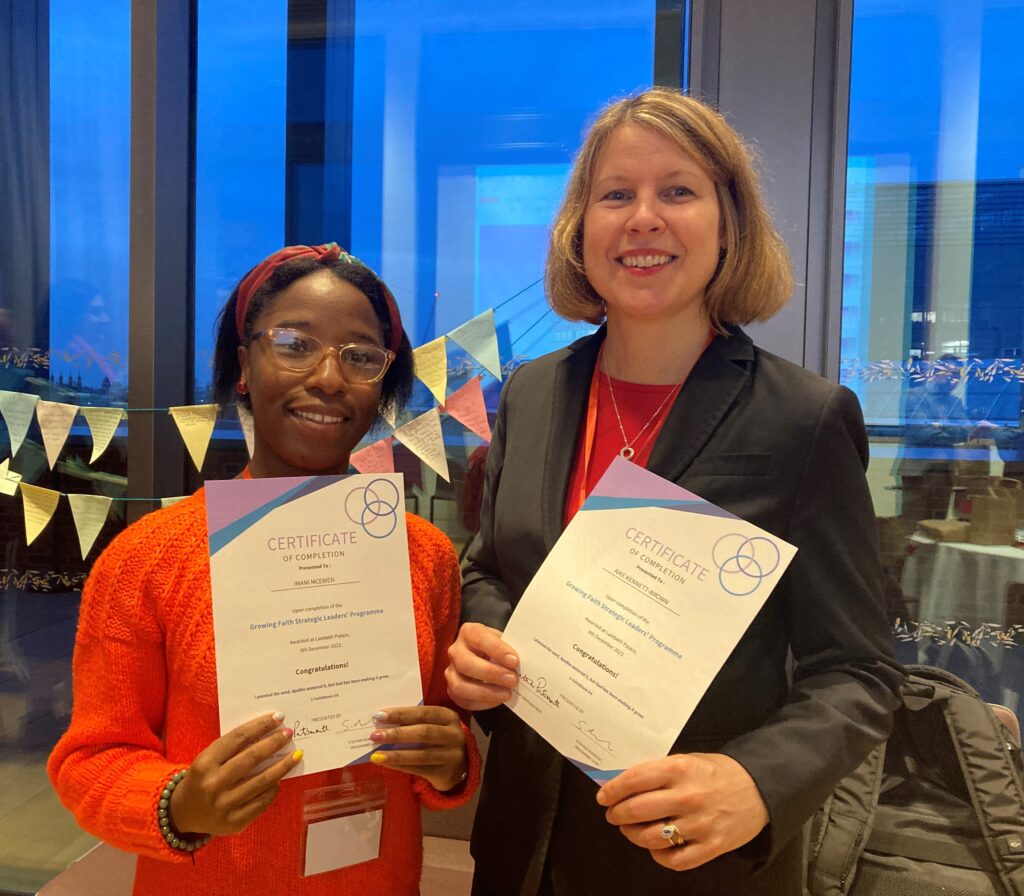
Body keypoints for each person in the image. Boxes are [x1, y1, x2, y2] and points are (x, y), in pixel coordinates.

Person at [445, 88, 903, 895]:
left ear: (728, 225)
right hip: (522, 852)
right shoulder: (532, 393)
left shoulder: (803, 419)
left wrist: (756, 781)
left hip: (690, 864)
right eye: (616, 194)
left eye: (679, 191)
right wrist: (488, 643)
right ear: (579, 229)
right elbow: (489, 567)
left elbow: (858, 672)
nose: (644, 218)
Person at [49, 244, 480, 895]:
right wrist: (178, 805)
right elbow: (91, 761)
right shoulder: (149, 559)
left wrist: (452, 764)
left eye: (361, 356)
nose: (329, 378)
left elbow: (441, 735)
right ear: (245, 365)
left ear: (383, 384)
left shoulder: (425, 556)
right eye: (295, 345)